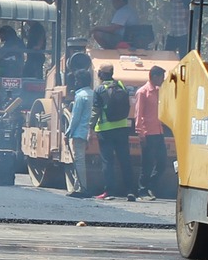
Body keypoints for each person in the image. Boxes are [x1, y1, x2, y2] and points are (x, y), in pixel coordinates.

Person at [93, 63, 136, 200]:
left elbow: (96, 111)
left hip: (106, 130)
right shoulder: (122, 86)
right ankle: (131, 191)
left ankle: (109, 191)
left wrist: (89, 127)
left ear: (100, 74)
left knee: (108, 161)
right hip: (122, 128)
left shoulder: (99, 89)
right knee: (125, 160)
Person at [133, 66, 170, 198]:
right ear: (154, 76)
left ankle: (150, 186)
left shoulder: (159, 91)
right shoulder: (142, 92)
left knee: (162, 163)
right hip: (148, 133)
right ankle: (142, 190)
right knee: (147, 164)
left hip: (159, 132)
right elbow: (138, 115)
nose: (163, 80)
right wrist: (141, 133)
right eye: (161, 77)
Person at [64, 69, 97, 198]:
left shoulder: (80, 96)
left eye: (77, 80)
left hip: (79, 132)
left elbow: (75, 117)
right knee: (81, 160)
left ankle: (81, 188)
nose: (76, 82)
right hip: (90, 130)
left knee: (79, 161)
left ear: (81, 81)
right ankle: (79, 186)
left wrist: (68, 133)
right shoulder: (93, 94)